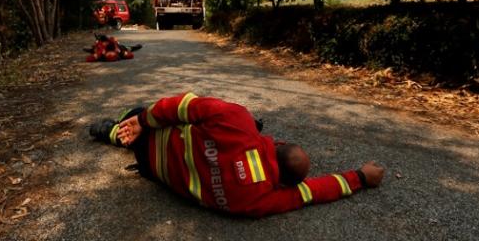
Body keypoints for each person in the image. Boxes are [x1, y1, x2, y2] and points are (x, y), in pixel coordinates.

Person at [90, 92, 385, 217]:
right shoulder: (259, 200)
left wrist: (143, 121)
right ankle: (115, 132)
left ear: (278, 144)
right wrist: (359, 176)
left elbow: (182, 105)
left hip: (152, 137)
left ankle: (114, 131)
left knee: (136, 115)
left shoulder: (238, 121)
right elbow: (313, 192)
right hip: (154, 172)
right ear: (284, 183)